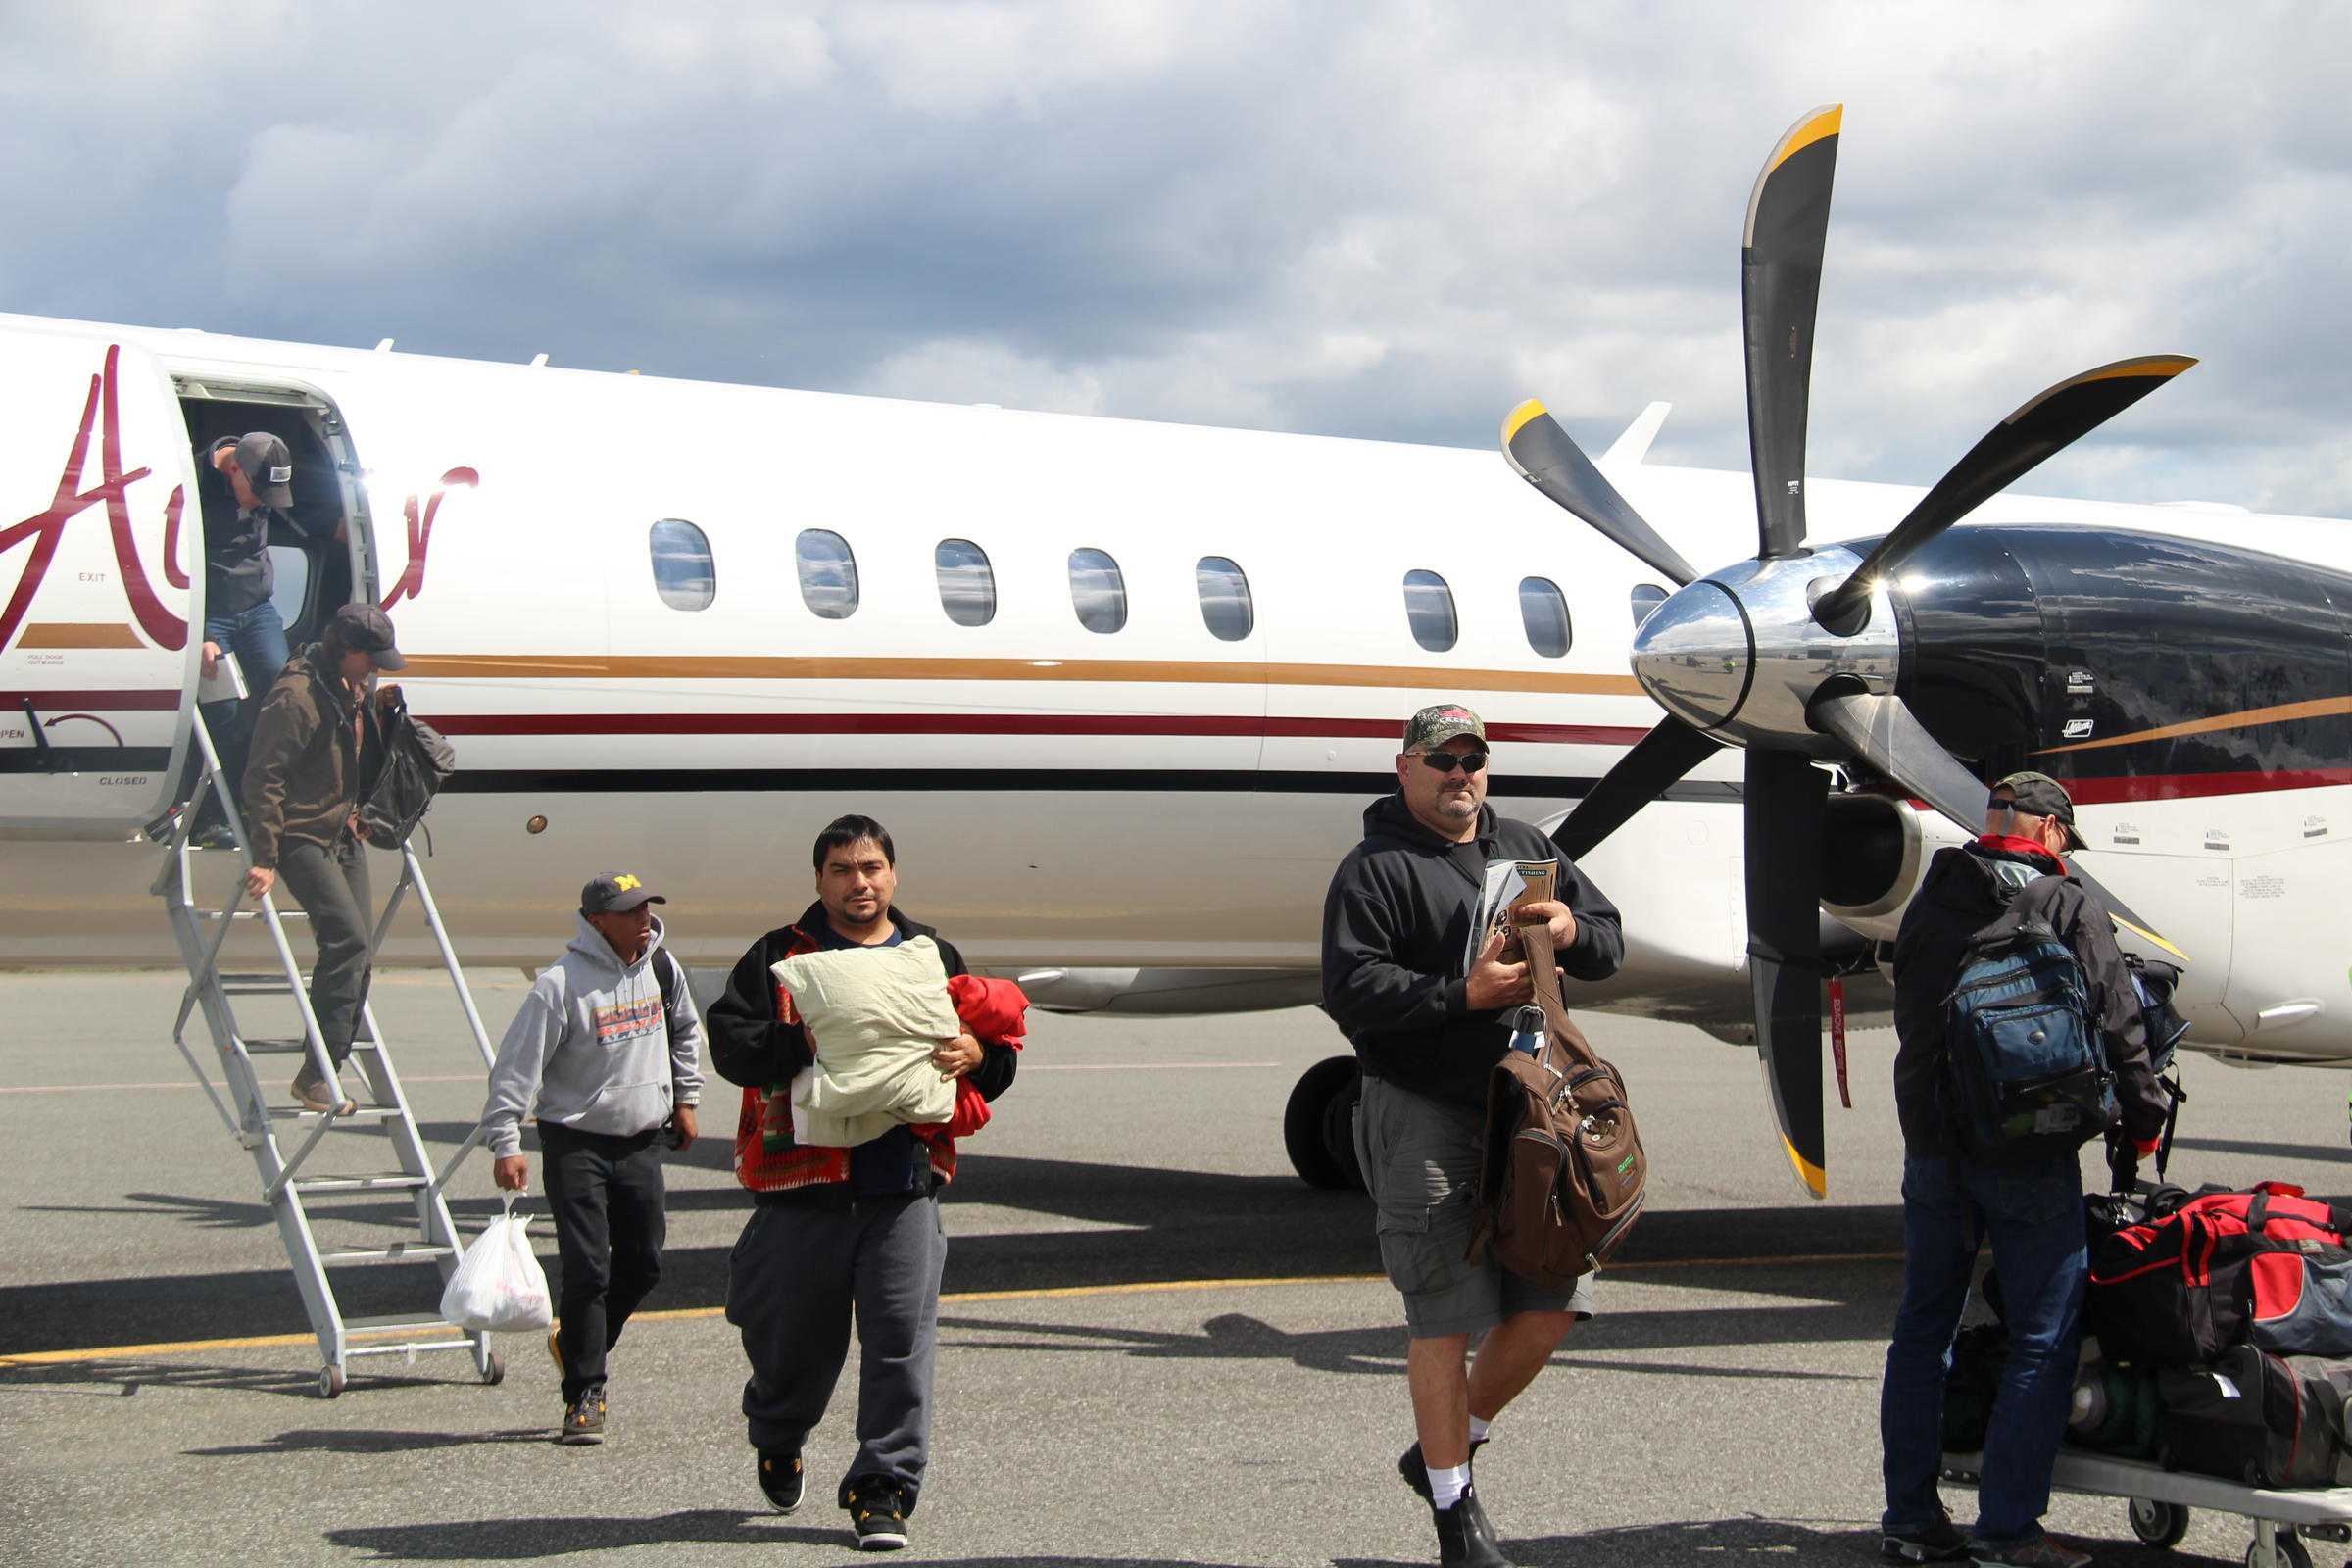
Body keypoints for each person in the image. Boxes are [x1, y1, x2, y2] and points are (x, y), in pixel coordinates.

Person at [1322, 704, 1624, 1568]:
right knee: (1445, 1319)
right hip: (1422, 1105)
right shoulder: (1371, 871)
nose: (1461, 774)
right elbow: (1354, 992)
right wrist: (1463, 996)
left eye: (1473, 759)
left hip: (1529, 1108)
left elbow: (1608, 943)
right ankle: (1457, 1517)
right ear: (1405, 767)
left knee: (1554, 1305)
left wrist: (1569, 927)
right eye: (1442, 759)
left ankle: (1446, 1450)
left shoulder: (1527, 848)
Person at [705, 814, 1022, 1552]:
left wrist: (979, 1053)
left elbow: (996, 1059)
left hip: (901, 1187)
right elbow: (734, 1047)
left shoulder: (930, 956)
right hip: (799, 1188)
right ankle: (779, 1432)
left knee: (899, 1345)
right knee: (790, 1344)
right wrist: (812, 1037)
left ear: (893, 875)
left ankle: (882, 1488)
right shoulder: (780, 955)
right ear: (819, 880)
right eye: (844, 870)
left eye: (872, 868)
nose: (861, 883)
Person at [1878, 771, 2167, 1568]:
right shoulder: (2068, 903)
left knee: (1924, 1323)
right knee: (2044, 1333)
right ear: (2048, 833)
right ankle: (2007, 1532)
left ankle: (1910, 1517)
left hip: (1933, 1141)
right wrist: (2140, 1125)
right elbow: (2120, 1023)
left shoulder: (1935, 895)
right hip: (2028, 1149)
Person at [478, 871, 704, 1445]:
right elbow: (515, 1067)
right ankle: (585, 1392)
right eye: (629, 912)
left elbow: (684, 1032)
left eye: (646, 908)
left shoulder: (661, 967)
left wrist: (685, 1099)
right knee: (587, 1269)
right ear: (597, 921)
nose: (643, 920)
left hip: (640, 1141)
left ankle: (576, 1343)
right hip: (575, 1141)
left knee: (645, 1263)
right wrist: (506, 1140)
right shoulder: (560, 985)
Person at [241, 602, 404, 1116]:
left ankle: (320, 1071)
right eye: (370, 658)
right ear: (346, 650)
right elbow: (263, 777)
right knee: (347, 942)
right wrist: (265, 854)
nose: (376, 668)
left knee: (362, 956)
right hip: (301, 835)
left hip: (342, 832)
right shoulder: (297, 697)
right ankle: (318, 1076)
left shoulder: (351, 690)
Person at [191, 432, 319, 846]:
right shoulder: (190, 482)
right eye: (259, 492)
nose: (263, 501)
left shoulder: (259, 474)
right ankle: (212, 816)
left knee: (286, 697)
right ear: (233, 470)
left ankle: (272, 804)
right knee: (223, 715)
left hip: (259, 610)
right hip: (212, 617)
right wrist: (202, 633)